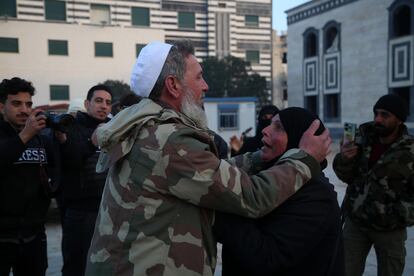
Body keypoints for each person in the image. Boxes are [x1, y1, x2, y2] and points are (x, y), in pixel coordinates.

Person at [85, 40, 331, 276]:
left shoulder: (147, 124)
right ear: (173, 85)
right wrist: (305, 158)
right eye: (199, 77)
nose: (206, 86)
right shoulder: (171, 140)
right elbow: (252, 196)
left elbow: (209, 171)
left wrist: (258, 158)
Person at [214, 107, 344, 276]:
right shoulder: (265, 174)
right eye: (268, 124)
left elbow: (266, 258)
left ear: (299, 142)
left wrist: (222, 203)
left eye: (279, 127)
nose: (265, 130)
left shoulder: (317, 196)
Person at [333, 94, 414, 276]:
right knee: (344, 271)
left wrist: (397, 215)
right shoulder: (362, 138)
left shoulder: (410, 150)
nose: (377, 119)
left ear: (399, 120)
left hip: (390, 230)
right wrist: (344, 158)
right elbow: (346, 176)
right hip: (356, 223)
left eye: (385, 115)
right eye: (376, 113)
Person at [0, 77, 56, 276]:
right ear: (1, 107)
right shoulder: (27, 134)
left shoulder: (39, 138)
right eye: (16, 103)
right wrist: (24, 135)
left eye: (28, 104)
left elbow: (58, 172)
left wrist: (62, 139)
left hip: (33, 234)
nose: (24, 110)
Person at [56, 84, 113, 276]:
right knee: (77, 267)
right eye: (98, 101)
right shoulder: (70, 128)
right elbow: (70, 161)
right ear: (87, 104)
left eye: (108, 102)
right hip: (80, 213)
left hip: (108, 211)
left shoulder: (113, 130)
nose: (104, 106)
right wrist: (92, 141)